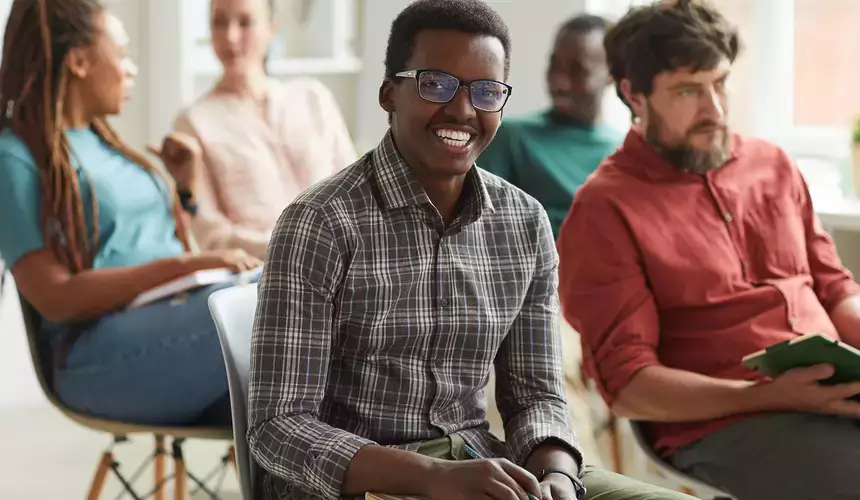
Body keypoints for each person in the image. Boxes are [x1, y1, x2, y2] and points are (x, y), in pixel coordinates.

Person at [248, 1, 698, 499]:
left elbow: (537, 395)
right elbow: (278, 427)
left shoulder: (524, 224)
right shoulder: (320, 223)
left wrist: (558, 476)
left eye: (485, 92)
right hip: (358, 483)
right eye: (435, 84)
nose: (462, 110)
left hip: (481, 465)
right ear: (388, 93)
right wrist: (431, 477)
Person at [558, 1, 860, 498]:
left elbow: (832, 286)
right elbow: (630, 386)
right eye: (687, 91)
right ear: (634, 95)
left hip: (829, 391)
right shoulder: (605, 208)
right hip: (721, 422)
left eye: (720, 83)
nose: (715, 109)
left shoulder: (772, 164)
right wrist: (765, 395)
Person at [0, 0, 261, 426]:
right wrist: (181, 265)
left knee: (302, 287)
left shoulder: (105, 145)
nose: (131, 69)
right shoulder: (16, 159)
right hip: (98, 357)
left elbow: (163, 254)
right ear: (80, 62)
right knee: (275, 299)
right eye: (121, 54)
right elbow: (55, 298)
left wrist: (184, 190)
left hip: (175, 324)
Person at [170, 0, 358, 260]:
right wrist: (299, 245)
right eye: (219, 22)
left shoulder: (313, 98)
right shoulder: (194, 121)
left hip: (347, 262)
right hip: (264, 277)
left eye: (245, 22)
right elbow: (213, 237)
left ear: (272, 28)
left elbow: (358, 193)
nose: (231, 37)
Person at [478, 14, 621, 238]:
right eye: (554, 64)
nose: (559, 82)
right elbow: (480, 226)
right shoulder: (512, 138)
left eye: (577, 70)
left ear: (612, 75)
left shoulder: (624, 150)